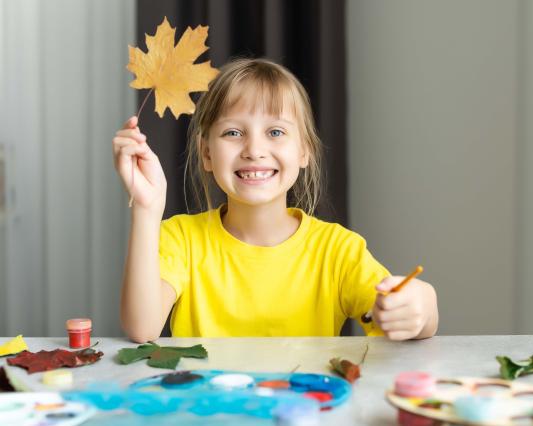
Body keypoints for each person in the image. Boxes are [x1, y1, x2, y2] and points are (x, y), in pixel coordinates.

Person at [112, 58, 438, 342]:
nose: (254, 150)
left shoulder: (338, 250)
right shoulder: (180, 239)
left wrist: (422, 306)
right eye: (233, 133)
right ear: (206, 152)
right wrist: (146, 207)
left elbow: (405, 316)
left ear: (304, 151)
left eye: (276, 132)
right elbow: (142, 329)